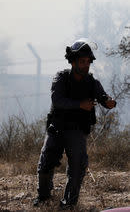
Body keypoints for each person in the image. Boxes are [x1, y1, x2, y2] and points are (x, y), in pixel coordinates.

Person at [33, 39, 117, 209]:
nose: (86, 65)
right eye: (82, 61)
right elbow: (57, 101)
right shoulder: (61, 78)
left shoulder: (92, 82)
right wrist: (80, 105)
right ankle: (43, 198)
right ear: (73, 62)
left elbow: (102, 96)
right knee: (46, 163)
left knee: (78, 167)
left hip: (77, 130)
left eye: (88, 62)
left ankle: (69, 204)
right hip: (57, 128)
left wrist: (108, 101)